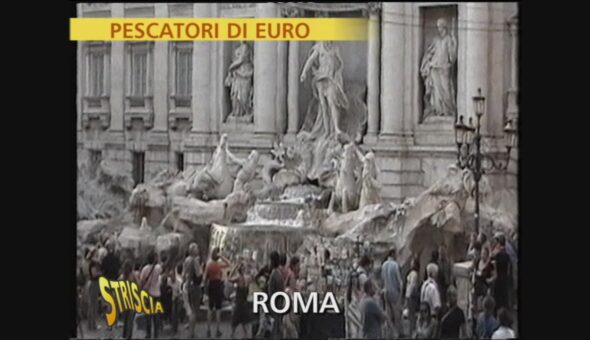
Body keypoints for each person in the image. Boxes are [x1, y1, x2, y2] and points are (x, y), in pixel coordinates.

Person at [300, 40, 349, 140]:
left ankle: (336, 128)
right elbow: (311, 60)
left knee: (332, 102)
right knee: (323, 106)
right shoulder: (319, 47)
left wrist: (336, 73)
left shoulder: (335, 48)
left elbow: (339, 64)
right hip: (320, 79)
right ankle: (326, 130)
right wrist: (304, 72)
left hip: (330, 79)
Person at [420, 17, 458, 118]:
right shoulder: (436, 40)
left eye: (440, 27)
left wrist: (454, 44)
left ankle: (448, 110)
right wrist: (428, 61)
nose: (439, 29)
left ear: (444, 27)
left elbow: (452, 56)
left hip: (445, 68)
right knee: (436, 91)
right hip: (435, 67)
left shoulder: (449, 39)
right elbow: (430, 51)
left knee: (446, 89)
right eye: (438, 27)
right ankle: (438, 110)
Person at [204, 247, 231, 338]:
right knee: (218, 309)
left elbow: (205, 278)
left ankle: (208, 330)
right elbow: (229, 264)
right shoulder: (219, 265)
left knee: (210, 308)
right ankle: (217, 330)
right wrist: (222, 256)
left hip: (211, 285)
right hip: (218, 285)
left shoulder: (209, 265)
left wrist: (205, 289)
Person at [381, 248, 404, 338]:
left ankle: (389, 333)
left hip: (386, 291)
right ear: (393, 254)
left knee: (389, 314)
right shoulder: (395, 265)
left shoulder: (384, 265)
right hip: (395, 292)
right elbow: (399, 280)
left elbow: (382, 279)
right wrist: (401, 292)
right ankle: (397, 332)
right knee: (397, 314)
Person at [182, 242, 203, 339]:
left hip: (187, 285)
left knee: (190, 308)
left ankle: (190, 328)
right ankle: (192, 332)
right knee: (194, 310)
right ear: (193, 251)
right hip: (195, 286)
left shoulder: (186, 260)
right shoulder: (195, 261)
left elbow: (183, 274)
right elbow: (199, 275)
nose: (198, 250)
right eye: (197, 248)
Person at [140, 252, 163, 339]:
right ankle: (156, 334)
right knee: (156, 315)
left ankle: (148, 333)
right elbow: (162, 268)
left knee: (148, 315)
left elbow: (142, 281)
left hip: (148, 294)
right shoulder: (158, 268)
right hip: (157, 294)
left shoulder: (145, 269)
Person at [489, 233, 512, 312]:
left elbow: (492, 267)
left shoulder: (496, 255)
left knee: (497, 300)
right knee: (504, 299)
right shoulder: (507, 255)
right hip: (504, 279)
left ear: (499, 243)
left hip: (497, 280)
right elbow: (509, 270)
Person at [229, 262, 251, 338]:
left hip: (239, 302)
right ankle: (246, 335)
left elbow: (229, 279)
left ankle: (233, 334)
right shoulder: (248, 278)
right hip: (244, 302)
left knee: (235, 319)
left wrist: (234, 268)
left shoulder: (238, 278)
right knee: (244, 319)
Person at [268, 251, 285, 338]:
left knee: (275, 329)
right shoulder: (279, 273)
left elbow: (271, 292)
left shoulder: (274, 274)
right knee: (278, 327)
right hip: (279, 304)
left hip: (275, 305)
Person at [120, 260, 138, 339]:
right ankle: (128, 336)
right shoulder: (133, 276)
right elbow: (138, 285)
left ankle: (124, 335)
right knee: (130, 320)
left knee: (125, 319)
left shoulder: (122, 277)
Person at [86, 247, 102, 331]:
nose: (98, 254)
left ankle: (91, 324)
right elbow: (94, 274)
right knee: (93, 305)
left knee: (92, 304)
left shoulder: (93, 262)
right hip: (94, 284)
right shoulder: (93, 263)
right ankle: (92, 325)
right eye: (97, 253)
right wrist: (101, 272)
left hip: (93, 283)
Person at [405, 257, 421, 337]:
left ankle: (412, 333)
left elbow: (413, 286)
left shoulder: (414, 274)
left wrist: (409, 295)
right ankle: (411, 332)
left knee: (411, 316)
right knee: (410, 316)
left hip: (411, 296)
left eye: (412, 262)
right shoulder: (412, 273)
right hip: (409, 295)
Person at [437, 244, 453, 310]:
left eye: (443, 250)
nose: (442, 252)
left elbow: (451, 272)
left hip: (447, 283)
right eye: (440, 251)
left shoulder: (449, 262)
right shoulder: (437, 262)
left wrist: (451, 283)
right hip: (440, 284)